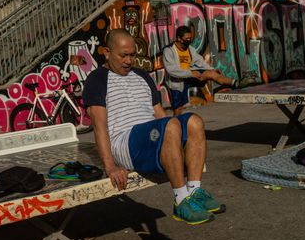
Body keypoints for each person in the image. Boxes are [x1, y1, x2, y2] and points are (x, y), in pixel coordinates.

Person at [83, 29, 226, 225]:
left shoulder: (143, 76)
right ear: (107, 52)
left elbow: (160, 114)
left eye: (132, 55)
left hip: (151, 135)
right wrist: (110, 167)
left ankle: (194, 191)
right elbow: (99, 126)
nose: (129, 60)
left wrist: (175, 139)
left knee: (194, 121)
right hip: (124, 143)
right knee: (170, 125)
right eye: (123, 55)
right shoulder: (97, 79)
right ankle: (180, 200)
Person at [163, 25, 239, 115]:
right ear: (179, 39)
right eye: (187, 38)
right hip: (178, 81)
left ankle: (234, 83)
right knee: (178, 109)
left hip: (191, 75)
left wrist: (212, 69)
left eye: (190, 38)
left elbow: (199, 61)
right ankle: (176, 126)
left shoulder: (189, 49)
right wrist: (190, 73)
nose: (189, 40)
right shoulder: (169, 50)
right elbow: (171, 70)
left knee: (212, 73)